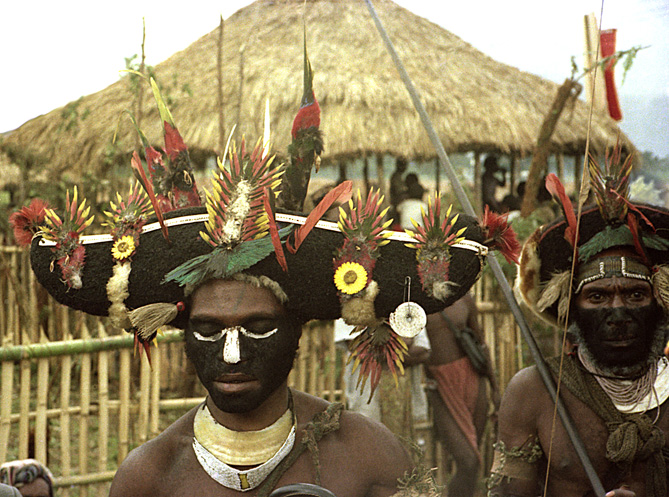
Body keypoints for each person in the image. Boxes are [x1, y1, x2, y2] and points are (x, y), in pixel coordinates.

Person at [14, 71, 510, 497]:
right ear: (181, 332)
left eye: (257, 327)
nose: (231, 354)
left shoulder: (370, 460)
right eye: (208, 329)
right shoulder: (148, 477)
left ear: (297, 329)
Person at [489, 161, 669, 496]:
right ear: (572, 311)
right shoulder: (535, 393)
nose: (617, 312)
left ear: (660, 303)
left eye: (635, 293)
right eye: (597, 296)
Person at [424, 294, 499, 497]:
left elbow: (481, 342)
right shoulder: (416, 303)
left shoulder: (464, 299)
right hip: (441, 384)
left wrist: (495, 388)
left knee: (473, 459)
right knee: (469, 461)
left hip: (473, 378)